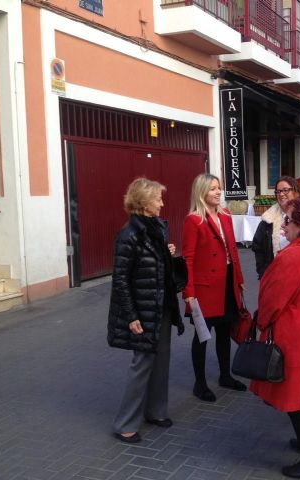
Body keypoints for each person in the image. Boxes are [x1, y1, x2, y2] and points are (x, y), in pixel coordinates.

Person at [250, 196, 300, 479]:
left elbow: (272, 299)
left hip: (295, 338)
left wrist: (260, 323)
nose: (283, 225)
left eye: (288, 220)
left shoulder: (296, 255)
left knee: (296, 397)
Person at [107, 177, 185, 444]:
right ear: (142, 202)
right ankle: (125, 424)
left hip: (161, 305)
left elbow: (159, 266)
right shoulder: (129, 235)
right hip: (141, 311)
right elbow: (120, 280)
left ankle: (156, 411)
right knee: (141, 364)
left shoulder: (160, 228)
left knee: (161, 361)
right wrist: (131, 316)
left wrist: (169, 253)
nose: (162, 203)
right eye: (157, 199)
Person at [182, 173, 247, 402]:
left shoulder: (226, 215)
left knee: (224, 331)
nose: (218, 192)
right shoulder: (194, 220)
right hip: (205, 288)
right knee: (202, 335)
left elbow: (233, 251)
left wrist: (239, 279)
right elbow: (187, 259)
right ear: (201, 192)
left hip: (227, 282)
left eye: (219, 188)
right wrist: (188, 292)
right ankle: (199, 384)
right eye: (212, 189)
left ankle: (225, 375)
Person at [251, 176, 300, 278]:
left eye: (285, 190)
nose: (281, 194)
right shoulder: (268, 219)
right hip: (275, 274)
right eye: (278, 192)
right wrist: (263, 272)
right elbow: (258, 246)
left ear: (296, 191)